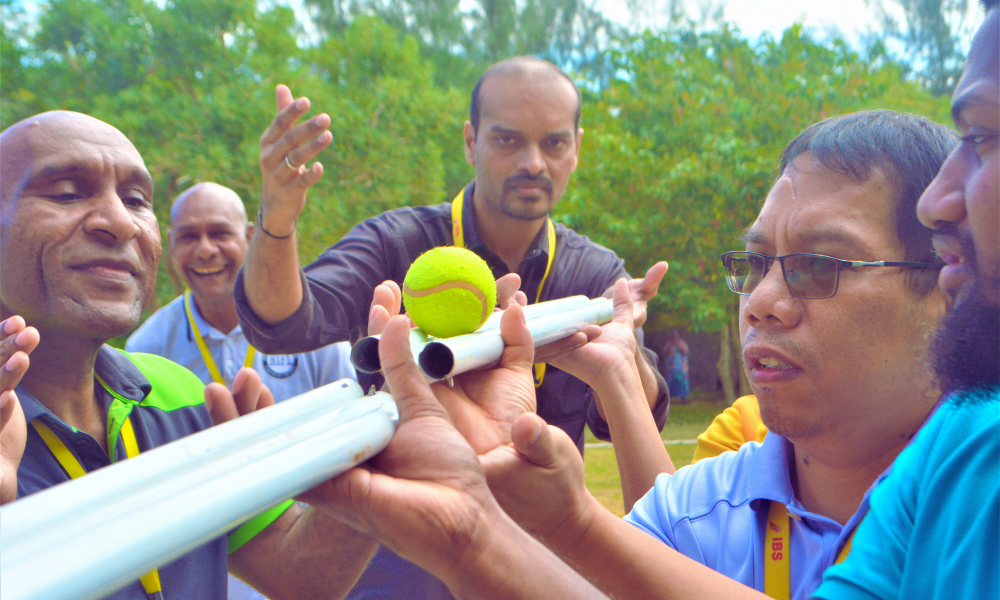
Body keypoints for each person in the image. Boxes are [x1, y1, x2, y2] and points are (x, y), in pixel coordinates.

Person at [236, 56, 670, 597]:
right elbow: (282, 324)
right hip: (395, 569)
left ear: (576, 148)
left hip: (539, 572)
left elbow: (632, 413)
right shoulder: (395, 242)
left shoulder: (595, 273)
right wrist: (277, 220)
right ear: (470, 141)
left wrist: (622, 352)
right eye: (507, 140)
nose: (533, 162)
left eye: (555, 143)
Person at [0, 111, 378, 600]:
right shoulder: (158, 337)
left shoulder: (178, 392)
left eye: (136, 200)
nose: (120, 222)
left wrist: (394, 413)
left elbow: (302, 576)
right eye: (67, 193)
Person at [814, 1, 999, 596]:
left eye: (983, 138)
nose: (935, 202)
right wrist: (572, 526)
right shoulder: (963, 434)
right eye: (755, 262)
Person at [125, 181, 357, 600]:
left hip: (307, 556)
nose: (205, 250)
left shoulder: (309, 328)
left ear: (250, 236)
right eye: (189, 237)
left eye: (219, 233)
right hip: (210, 573)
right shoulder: (147, 347)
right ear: (171, 244)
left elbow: (353, 434)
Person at [661, 330, 690, 401]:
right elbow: (665, 353)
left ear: (678, 335)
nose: (674, 337)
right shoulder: (669, 344)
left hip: (681, 367)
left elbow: (685, 352)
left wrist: (678, 347)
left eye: (676, 335)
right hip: (672, 367)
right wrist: (670, 348)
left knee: (682, 381)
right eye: (673, 335)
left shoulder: (682, 343)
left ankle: (684, 398)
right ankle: (670, 397)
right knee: (671, 381)